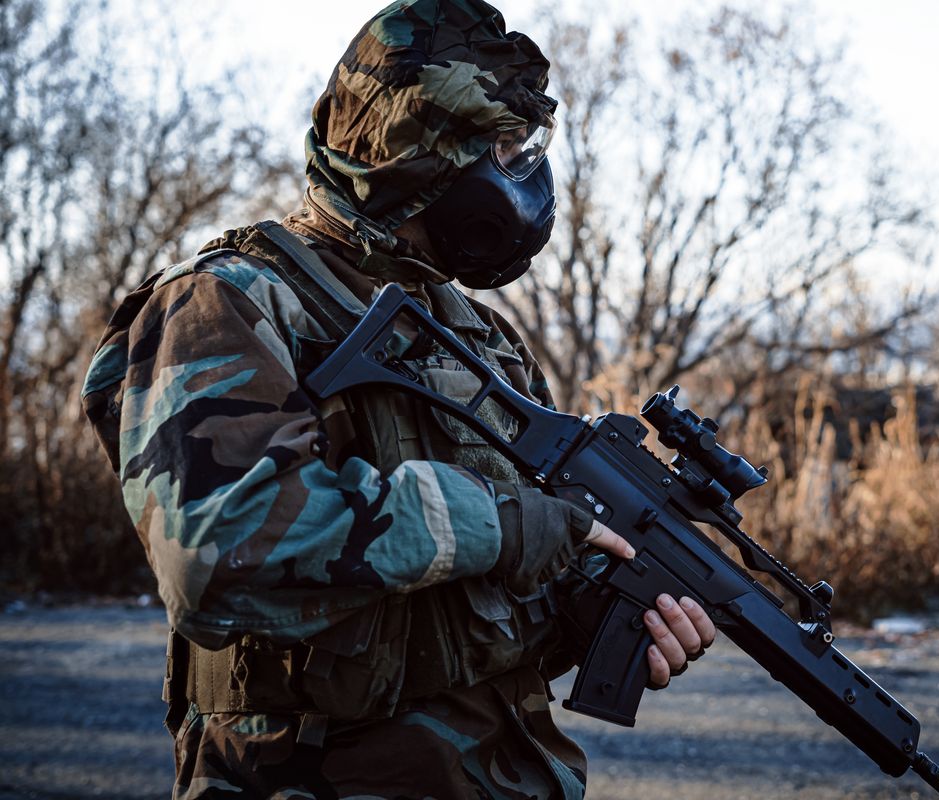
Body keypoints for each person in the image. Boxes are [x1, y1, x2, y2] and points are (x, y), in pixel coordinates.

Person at [81, 2, 715, 798]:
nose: (526, 175)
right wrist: (507, 522)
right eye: (505, 149)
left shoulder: (481, 339)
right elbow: (219, 555)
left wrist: (601, 614)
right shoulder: (228, 304)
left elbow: (489, 610)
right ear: (421, 156)